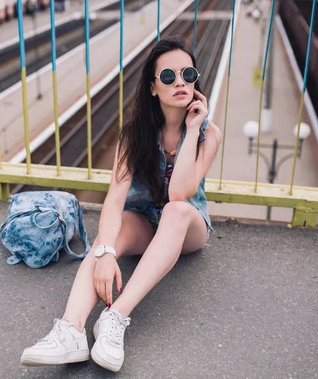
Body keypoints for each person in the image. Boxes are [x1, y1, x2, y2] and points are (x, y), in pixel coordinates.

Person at [20, 35, 222, 372]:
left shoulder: (207, 134)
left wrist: (193, 125)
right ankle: (71, 330)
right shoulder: (134, 135)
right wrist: (104, 254)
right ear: (153, 88)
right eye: (169, 77)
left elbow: (179, 193)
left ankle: (114, 318)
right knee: (105, 240)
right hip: (143, 221)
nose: (181, 82)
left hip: (187, 226)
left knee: (175, 210)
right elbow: (114, 201)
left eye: (188, 74)